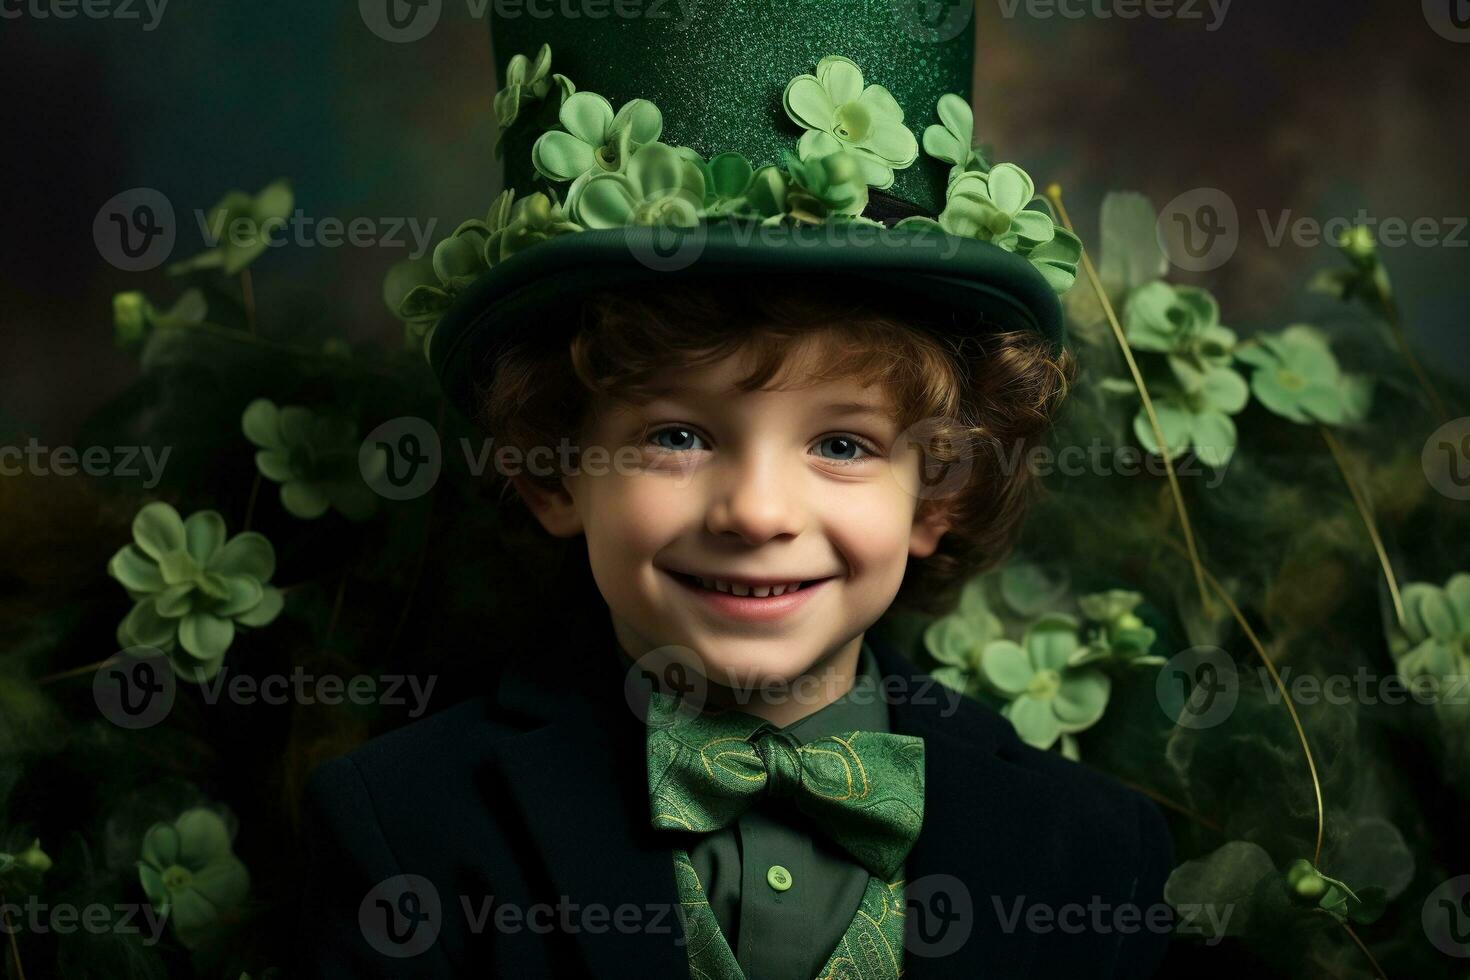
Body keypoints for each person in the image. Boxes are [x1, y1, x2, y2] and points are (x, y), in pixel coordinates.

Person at [297, 5, 1173, 977]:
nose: (758, 512)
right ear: (551, 470)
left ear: (938, 492)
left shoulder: (1090, 851)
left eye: (842, 442)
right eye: (677, 436)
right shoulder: (410, 825)